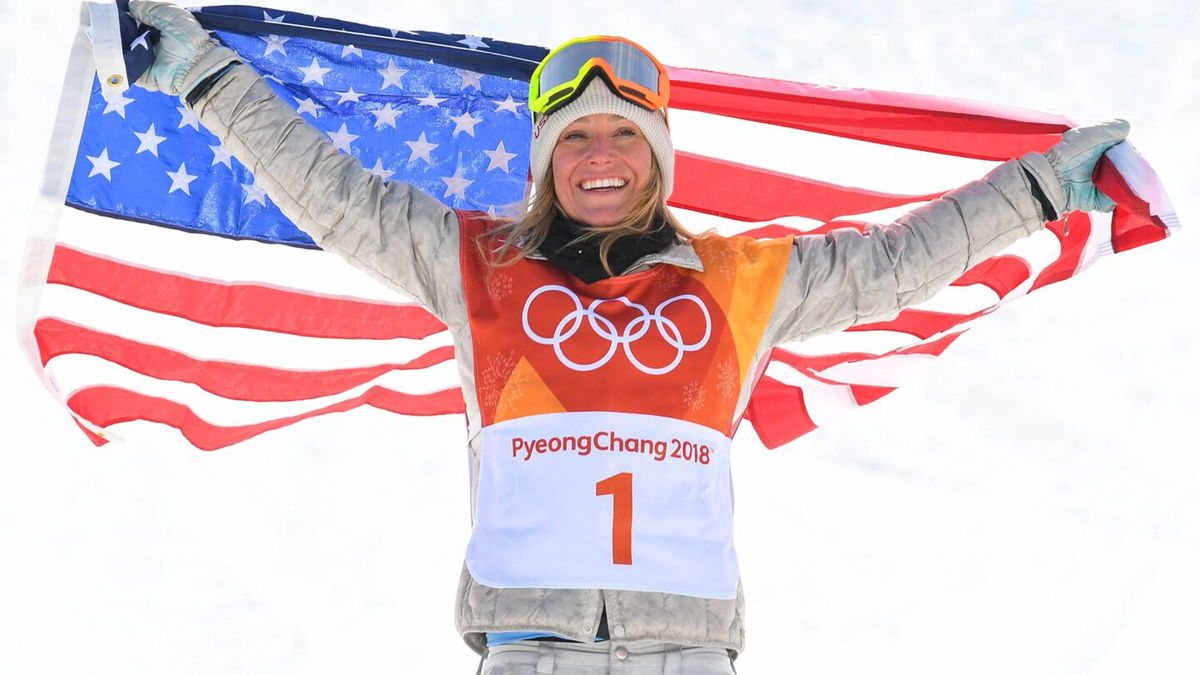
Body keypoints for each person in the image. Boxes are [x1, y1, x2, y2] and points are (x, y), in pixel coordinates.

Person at [128, 2, 1130, 673]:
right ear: (546, 161)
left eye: (622, 137)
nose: (598, 157)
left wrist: (1038, 189)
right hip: (527, 646)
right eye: (575, 139)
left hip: (685, 654)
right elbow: (333, 195)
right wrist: (208, 79)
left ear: (656, 160)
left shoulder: (744, 282)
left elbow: (899, 262)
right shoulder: (472, 262)